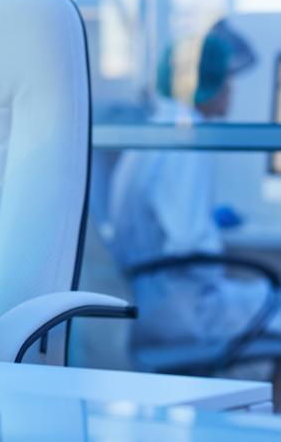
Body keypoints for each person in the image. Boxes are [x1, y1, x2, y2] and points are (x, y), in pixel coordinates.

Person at [109, 19, 281, 361]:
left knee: (265, 293)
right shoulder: (186, 136)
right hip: (178, 311)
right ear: (208, 83)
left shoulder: (159, 129)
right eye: (227, 77)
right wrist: (212, 248)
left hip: (154, 299)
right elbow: (188, 243)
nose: (231, 88)